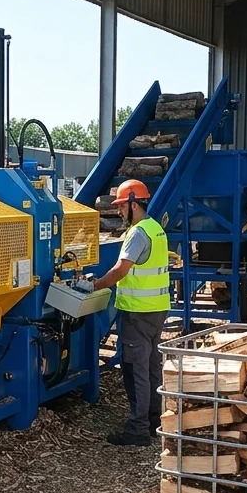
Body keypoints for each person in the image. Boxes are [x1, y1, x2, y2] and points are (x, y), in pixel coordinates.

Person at [93, 179, 170, 447]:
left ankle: (138, 429)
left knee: (136, 369)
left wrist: (94, 285)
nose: (118, 212)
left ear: (134, 204)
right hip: (156, 311)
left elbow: (120, 270)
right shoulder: (156, 229)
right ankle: (154, 421)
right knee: (151, 368)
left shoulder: (138, 233)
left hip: (137, 314)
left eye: (121, 206)